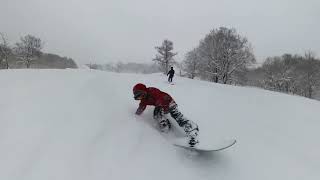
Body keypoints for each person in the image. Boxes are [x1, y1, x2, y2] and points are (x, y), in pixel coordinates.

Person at [133, 83, 199, 147]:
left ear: (144, 91)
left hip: (168, 102)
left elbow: (159, 96)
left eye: (142, 94)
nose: (142, 97)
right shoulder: (143, 100)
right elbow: (141, 108)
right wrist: (136, 115)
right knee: (156, 115)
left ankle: (192, 130)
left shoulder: (152, 90)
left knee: (176, 115)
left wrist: (160, 105)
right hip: (161, 106)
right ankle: (165, 128)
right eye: (139, 97)